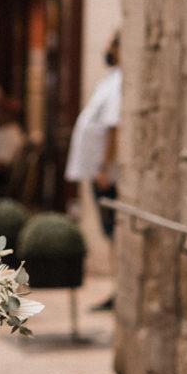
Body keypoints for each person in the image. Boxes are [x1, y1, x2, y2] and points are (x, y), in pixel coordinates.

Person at [66, 32, 122, 311]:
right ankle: (117, 288)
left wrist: (104, 167)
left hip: (106, 172)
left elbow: (114, 126)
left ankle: (119, 288)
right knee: (108, 230)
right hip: (99, 169)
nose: (106, 48)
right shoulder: (112, 78)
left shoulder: (121, 80)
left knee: (113, 230)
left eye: (112, 43)